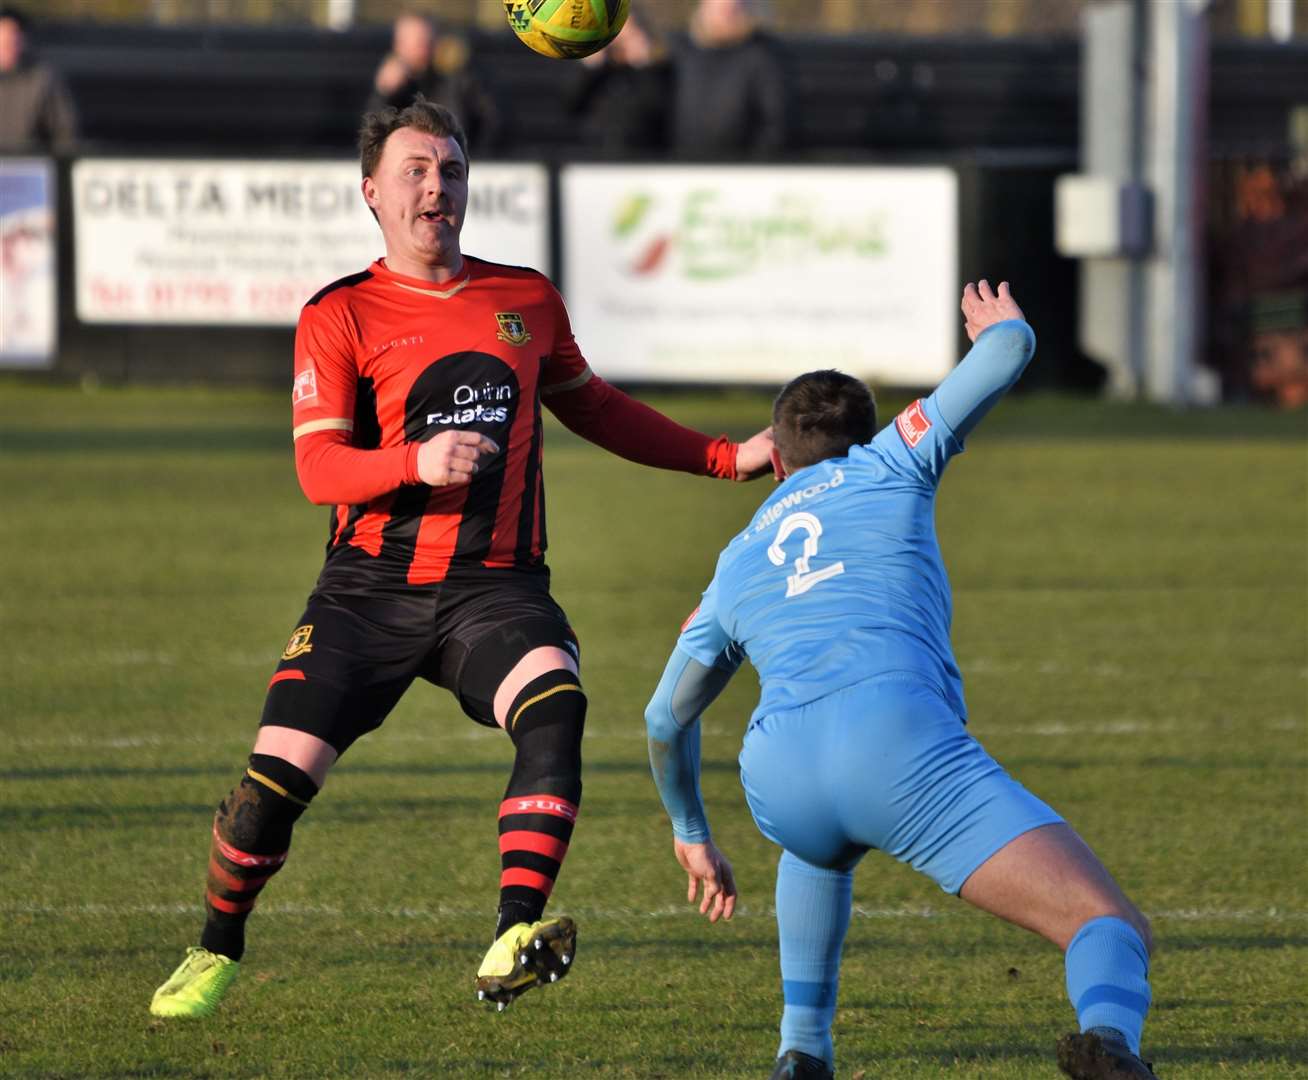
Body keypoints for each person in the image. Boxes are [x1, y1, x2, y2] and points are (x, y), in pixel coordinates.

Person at [149, 97, 773, 1020]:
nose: (437, 188)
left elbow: (597, 408)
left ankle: (512, 932)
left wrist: (725, 456)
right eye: (415, 171)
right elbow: (319, 466)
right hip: (366, 590)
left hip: (496, 588)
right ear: (372, 192)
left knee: (556, 703)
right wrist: (414, 461)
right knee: (269, 793)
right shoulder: (340, 313)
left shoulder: (524, 298)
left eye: (450, 170)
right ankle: (216, 946)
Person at [644, 281, 1158, 1080]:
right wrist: (1006, 324)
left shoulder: (736, 561)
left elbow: (663, 718)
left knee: (815, 849)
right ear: (870, 431)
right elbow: (1007, 353)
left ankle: (802, 1050)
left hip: (778, 774)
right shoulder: (893, 458)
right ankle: (1109, 1044)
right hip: (893, 746)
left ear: (772, 459)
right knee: (1109, 925)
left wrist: (691, 829)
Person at [366, 10, 500, 155]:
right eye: (415, 42)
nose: (422, 49)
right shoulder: (393, 89)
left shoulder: (458, 79)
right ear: (397, 45)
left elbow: (488, 120)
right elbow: (372, 136)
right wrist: (383, 93)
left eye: (426, 41)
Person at [672, 0, 788, 160]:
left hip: (741, 172)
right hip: (678, 170)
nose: (729, 4)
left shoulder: (763, 55)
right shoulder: (680, 52)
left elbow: (776, 124)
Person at [566, 4, 674, 158]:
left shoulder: (656, 72)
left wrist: (641, 61)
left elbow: (656, 107)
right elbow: (571, 105)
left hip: (640, 157)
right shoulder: (601, 72)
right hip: (592, 156)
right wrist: (593, 63)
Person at [0, 5, 79, 154]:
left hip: (30, 169)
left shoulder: (42, 79)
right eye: (2, 42)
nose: (7, 46)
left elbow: (64, 132)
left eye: (11, 41)